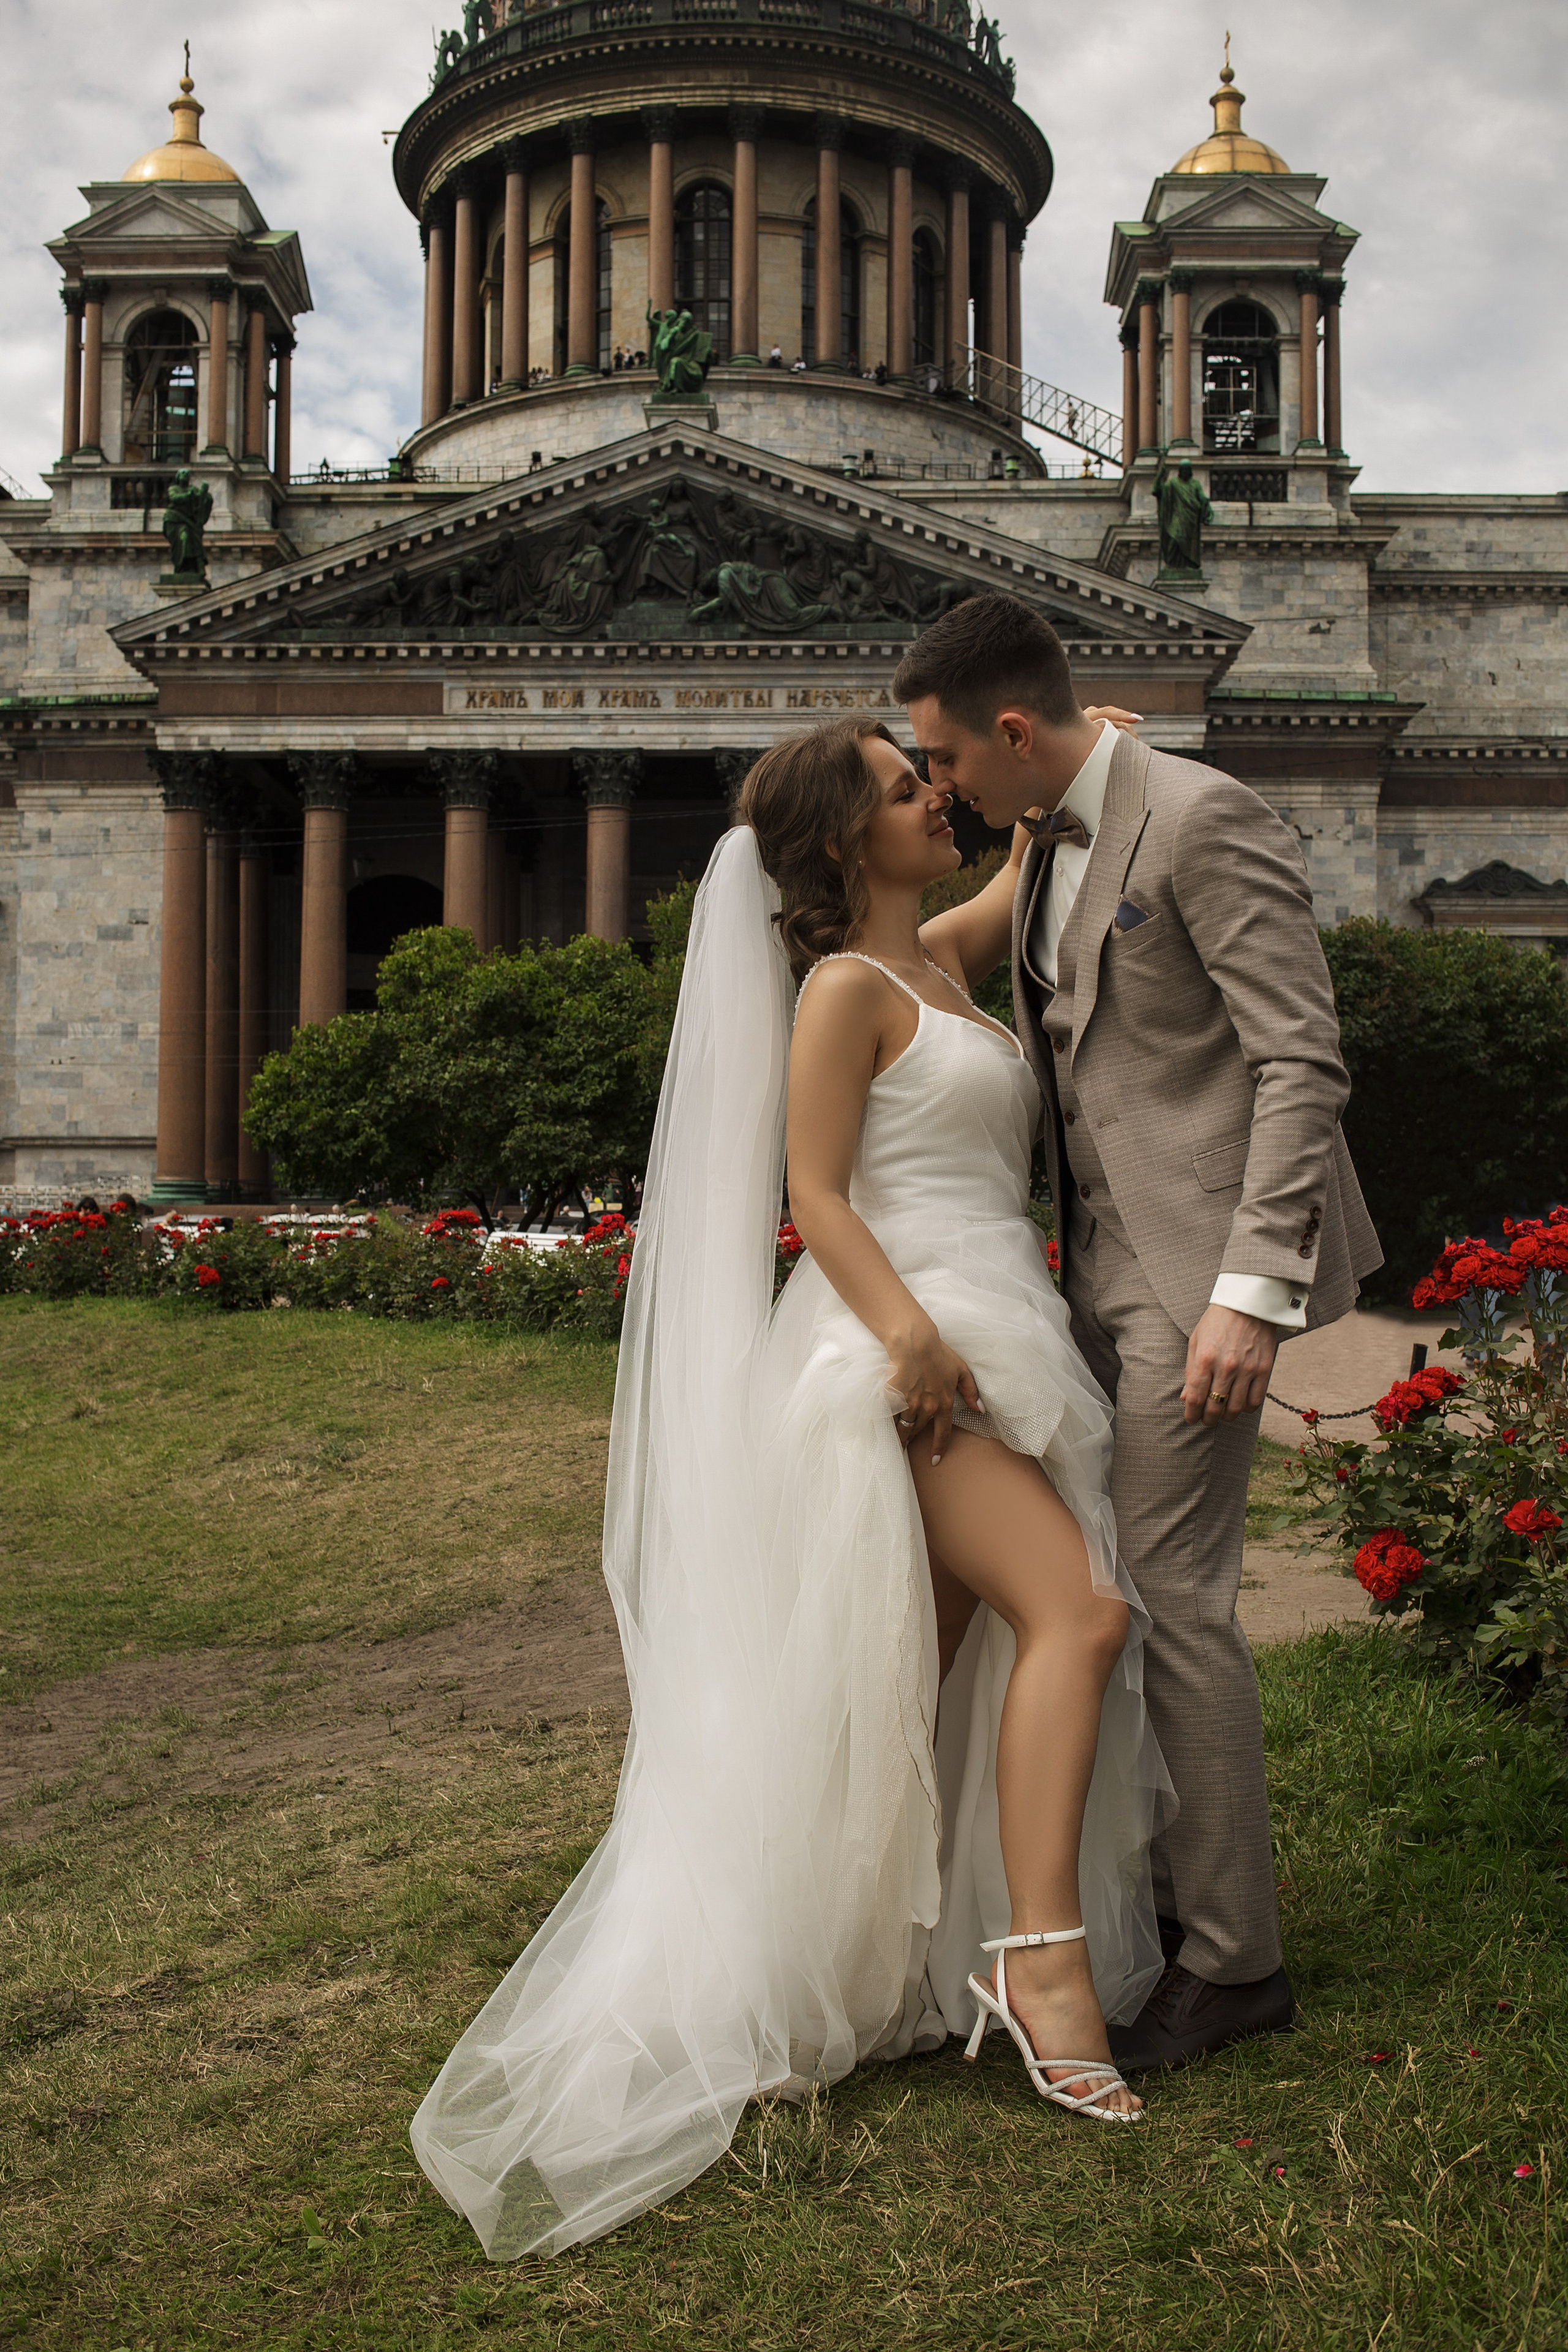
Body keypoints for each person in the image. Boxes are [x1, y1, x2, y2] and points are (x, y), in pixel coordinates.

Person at [411, 717, 1172, 2259]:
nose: (935, 796)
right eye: (903, 788)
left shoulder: (932, 965)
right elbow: (812, 1191)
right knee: (1077, 1616)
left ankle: (830, 1965)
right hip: (902, 1357)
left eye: (929, 775)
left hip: (994, 1327)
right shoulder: (841, 991)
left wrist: (1092, 752)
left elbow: (1026, 850)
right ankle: (1037, 1964)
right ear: (839, 841)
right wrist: (906, 1340)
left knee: (910, 1676)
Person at [896, 594, 1382, 2071]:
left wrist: (1249, 1291)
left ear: (1011, 731)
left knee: (1170, 1597)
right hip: (1089, 1277)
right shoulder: (1049, 827)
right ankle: (1170, 1901)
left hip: (1193, 1283)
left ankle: (1232, 1963)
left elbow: (1298, 1060)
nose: (936, 787)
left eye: (943, 758)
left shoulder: (1200, 819)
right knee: (1118, 1582)